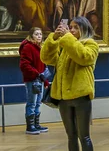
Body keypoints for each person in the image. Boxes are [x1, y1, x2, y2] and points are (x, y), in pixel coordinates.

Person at [40, 16, 99, 151]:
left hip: (81, 96)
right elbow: (46, 58)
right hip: (63, 97)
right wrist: (54, 39)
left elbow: (84, 57)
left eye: (75, 28)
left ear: (84, 29)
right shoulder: (66, 45)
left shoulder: (90, 44)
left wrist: (67, 37)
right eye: (70, 27)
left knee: (84, 136)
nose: (71, 30)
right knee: (71, 136)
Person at [19, 27, 49, 135]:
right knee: (31, 103)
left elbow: (43, 65)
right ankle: (30, 126)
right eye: (36, 34)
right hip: (32, 79)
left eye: (40, 34)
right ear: (31, 36)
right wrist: (37, 74)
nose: (39, 36)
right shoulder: (28, 47)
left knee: (38, 103)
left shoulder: (40, 48)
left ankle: (36, 124)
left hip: (39, 79)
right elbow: (24, 65)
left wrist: (45, 80)